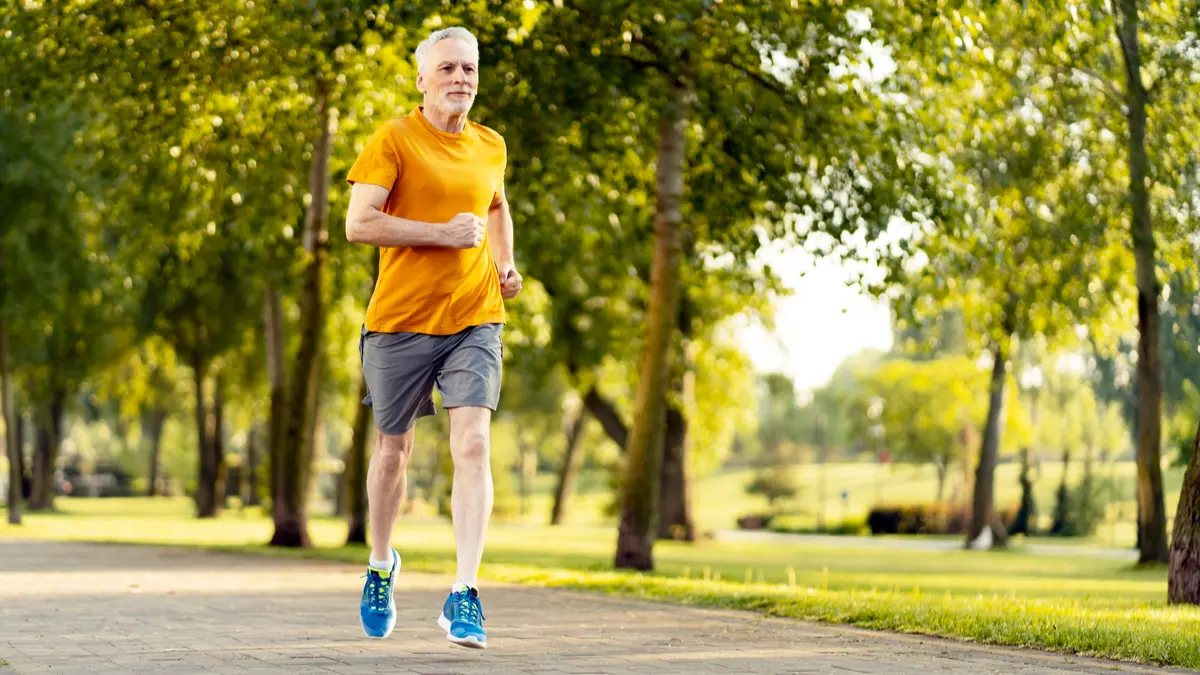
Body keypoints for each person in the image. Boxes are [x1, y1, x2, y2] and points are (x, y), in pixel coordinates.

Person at [343, 25, 521, 650]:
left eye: (469, 69)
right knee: (394, 452)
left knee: (473, 442)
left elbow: (495, 206)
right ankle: (380, 564)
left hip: (474, 317)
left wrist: (505, 264)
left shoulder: (490, 145)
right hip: (398, 322)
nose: (460, 79)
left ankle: (464, 593)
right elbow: (358, 224)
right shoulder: (393, 139)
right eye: (447, 68)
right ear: (422, 79)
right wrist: (443, 235)